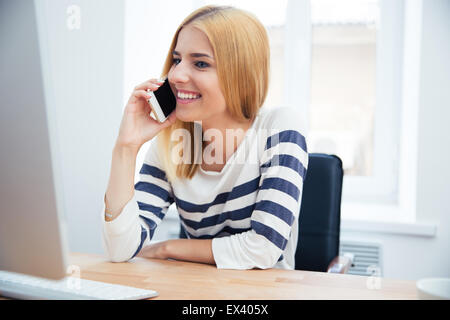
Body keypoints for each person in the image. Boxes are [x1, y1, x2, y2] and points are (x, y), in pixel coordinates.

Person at [102, 5, 308, 270]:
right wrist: (126, 147)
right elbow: (120, 250)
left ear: (241, 73)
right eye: (177, 60)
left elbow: (262, 249)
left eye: (200, 63)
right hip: (195, 291)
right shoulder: (172, 139)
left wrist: (167, 248)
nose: (176, 75)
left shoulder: (279, 127)